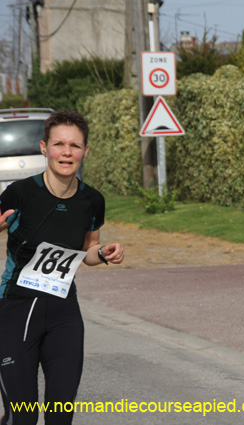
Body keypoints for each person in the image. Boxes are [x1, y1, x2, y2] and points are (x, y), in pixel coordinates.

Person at [0, 109, 124, 425]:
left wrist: (103, 253)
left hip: (64, 314)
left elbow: (87, 251)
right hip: (16, 310)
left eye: (75, 145)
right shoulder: (19, 193)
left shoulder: (92, 200)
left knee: (60, 417)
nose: (66, 152)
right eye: (59, 144)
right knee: (22, 417)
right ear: (44, 148)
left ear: (85, 151)